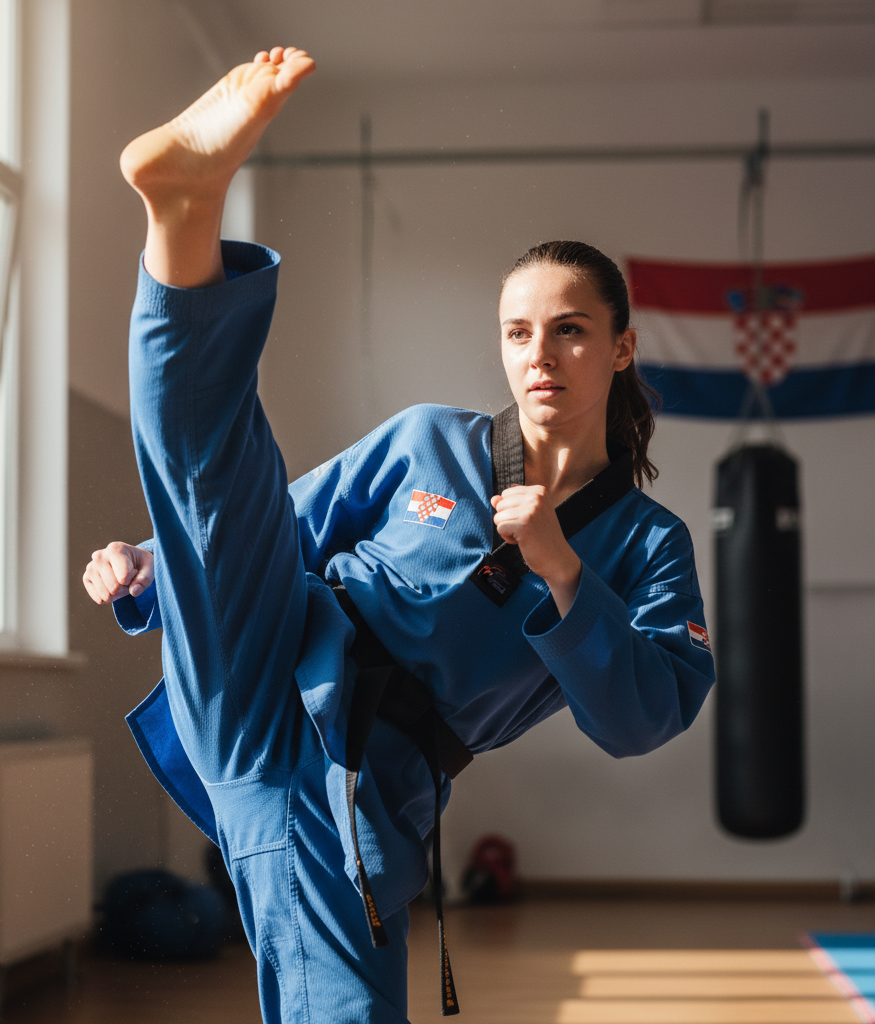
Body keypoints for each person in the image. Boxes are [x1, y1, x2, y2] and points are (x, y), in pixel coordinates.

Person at [83, 46, 715, 1023]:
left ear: (621, 346)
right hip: (269, 656)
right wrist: (151, 563)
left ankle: (185, 213)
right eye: (517, 332)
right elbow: (271, 526)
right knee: (223, 470)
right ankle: (184, 212)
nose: (539, 354)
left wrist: (561, 571)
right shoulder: (428, 439)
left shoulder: (647, 545)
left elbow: (645, 716)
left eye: (570, 329)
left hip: (362, 777)